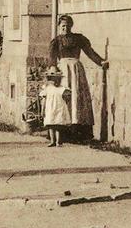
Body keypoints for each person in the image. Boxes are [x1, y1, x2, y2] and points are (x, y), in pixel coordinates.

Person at [48, 13, 108, 141]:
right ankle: (64, 132)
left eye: (68, 26)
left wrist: (100, 61)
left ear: (71, 26)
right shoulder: (56, 41)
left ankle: (79, 131)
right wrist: (53, 67)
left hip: (76, 70)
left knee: (78, 98)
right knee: (65, 98)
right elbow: (52, 58)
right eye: (63, 26)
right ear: (59, 26)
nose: (66, 28)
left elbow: (89, 52)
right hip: (63, 71)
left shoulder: (79, 39)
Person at [40, 67, 71, 147]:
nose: (54, 81)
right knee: (50, 124)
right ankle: (52, 141)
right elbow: (44, 100)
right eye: (52, 79)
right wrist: (42, 110)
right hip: (50, 108)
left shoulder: (62, 88)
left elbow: (67, 98)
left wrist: (66, 98)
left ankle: (58, 141)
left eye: (57, 79)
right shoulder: (47, 88)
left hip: (59, 108)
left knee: (58, 125)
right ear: (50, 80)